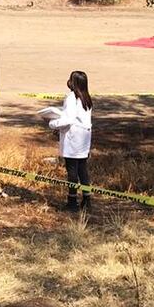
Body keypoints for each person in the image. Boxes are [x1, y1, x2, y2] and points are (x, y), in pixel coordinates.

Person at [48, 70, 93, 211]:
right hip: (84, 138)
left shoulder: (72, 98)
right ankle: (87, 200)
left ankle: (72, 202)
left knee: (72, 171)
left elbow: (68, 119)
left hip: (73, 138)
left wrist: (52, 123)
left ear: (74, 83)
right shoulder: (87, 98)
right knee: (82, 170)